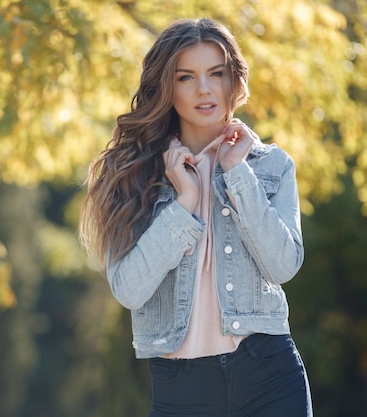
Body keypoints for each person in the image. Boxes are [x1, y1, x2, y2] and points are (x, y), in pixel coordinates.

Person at [79, 17, 312, 417]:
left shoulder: (271, 166)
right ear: (167, 88)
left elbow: (283, 266)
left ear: (234, 81)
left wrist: (238, 175)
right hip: (182, 389)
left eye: (216, 74)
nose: (204, 89)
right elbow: (129, 290)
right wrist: (184, 201)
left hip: (269, 376)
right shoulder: (134, 174)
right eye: (186, 77)